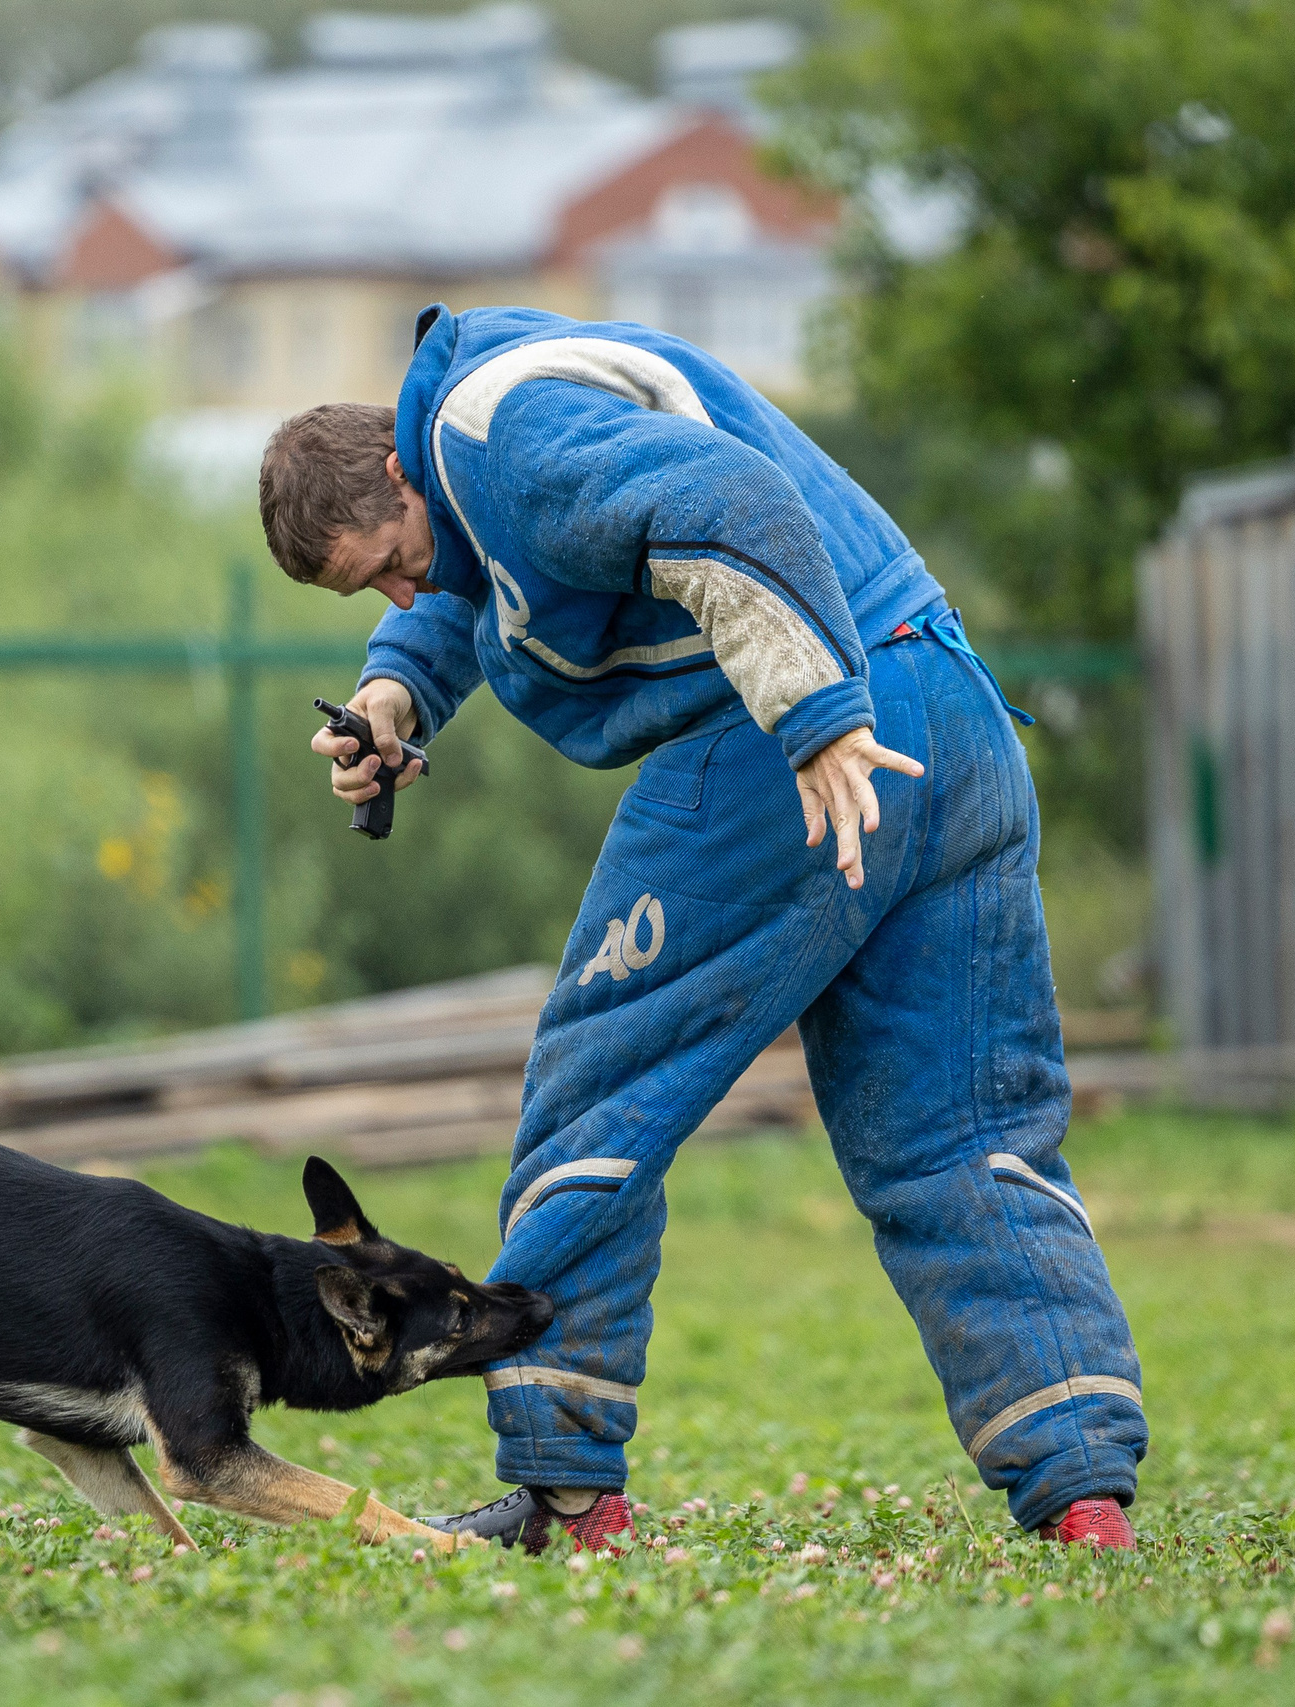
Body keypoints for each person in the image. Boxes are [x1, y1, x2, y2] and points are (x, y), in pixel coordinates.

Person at [257, 304, 1144, 1555]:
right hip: (954, 720)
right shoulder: (489, 443)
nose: (402, 588)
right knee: (963, 1133)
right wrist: (388, 703)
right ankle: (1082, 1489)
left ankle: (568, 1489)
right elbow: (474, 586)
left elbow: (726, 502)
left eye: (387, 561)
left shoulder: (487, 428)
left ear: (402, 470)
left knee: (597, 1101)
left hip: (813, 733)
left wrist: (818, 714)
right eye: (373, 592)